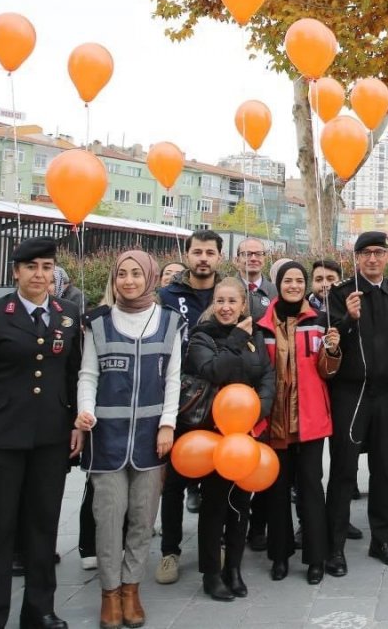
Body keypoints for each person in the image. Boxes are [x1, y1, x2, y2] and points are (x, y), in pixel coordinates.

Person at [0, 236, 82, 629]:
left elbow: (75, 374)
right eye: (31, 267)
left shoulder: (68, 313)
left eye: (47, 267)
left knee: (42, 526)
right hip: (1, 439)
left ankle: (39, 609)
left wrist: (76, 422)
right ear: (16, 271)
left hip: (50, 437)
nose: (39, 275)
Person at [75, 251, 183, 629]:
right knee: (107, 518)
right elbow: (88, 374)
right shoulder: (97, 323)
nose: (129, 280)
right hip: (105, 438)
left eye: (137, 273)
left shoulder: (171, 322)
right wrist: (85, 409)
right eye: (122, 273)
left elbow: (173, 378)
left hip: (151, 440)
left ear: (151, 277)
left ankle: (131, 588)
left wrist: (168, 425)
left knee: (141, 518)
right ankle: (109, 592)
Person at [326, 231, 388, 575]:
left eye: (379, 253)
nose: (373, 259)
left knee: (383, 468)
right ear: (357, 257)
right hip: (352, 394)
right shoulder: (340, 294)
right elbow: (330, 342)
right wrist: (348, 318)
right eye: (366, 253)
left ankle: (382, 539)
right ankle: (335, 547)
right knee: (344, 470)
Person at [184, 278, 275, 600]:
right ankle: (211, 573)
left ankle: (233, 568)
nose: (225, 307)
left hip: (246, 434)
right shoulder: (201, 336)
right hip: (212, 435)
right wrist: (235, 339)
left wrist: (257, 411)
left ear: (242, 306)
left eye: (232, 302)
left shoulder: (258, 337)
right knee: (214, 507)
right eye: (220, 301)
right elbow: (212, 371)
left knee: (240, 505)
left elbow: (266, 376)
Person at [257, 262, 339, 585]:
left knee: (310, 488)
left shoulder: (320, 322)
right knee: (277, 490)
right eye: (287, 280)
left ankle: (316, 557)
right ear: (278, 284)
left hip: (310, 419)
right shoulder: (262, 326)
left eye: (299, 280)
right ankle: (280, 555)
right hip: (275, 420)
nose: (293, 285)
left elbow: (327, 372)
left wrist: (332, 352)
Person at [155, 229, 224, 583]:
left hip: (222, 399)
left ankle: (216, 544)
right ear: (188, 254)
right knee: (174, 481)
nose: (203, 258)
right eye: (197, 252)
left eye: (209, 253)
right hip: (178, 398)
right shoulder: (167, 296)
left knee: (217, 477)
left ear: (218, 257)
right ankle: (170, 551)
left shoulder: (229, 294)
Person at [234, 237, 276, 321]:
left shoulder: (275, 292)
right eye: (247, 254)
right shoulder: (225, 289)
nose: (253, 258)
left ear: (264, 259)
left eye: (258, 254)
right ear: (237, 260)